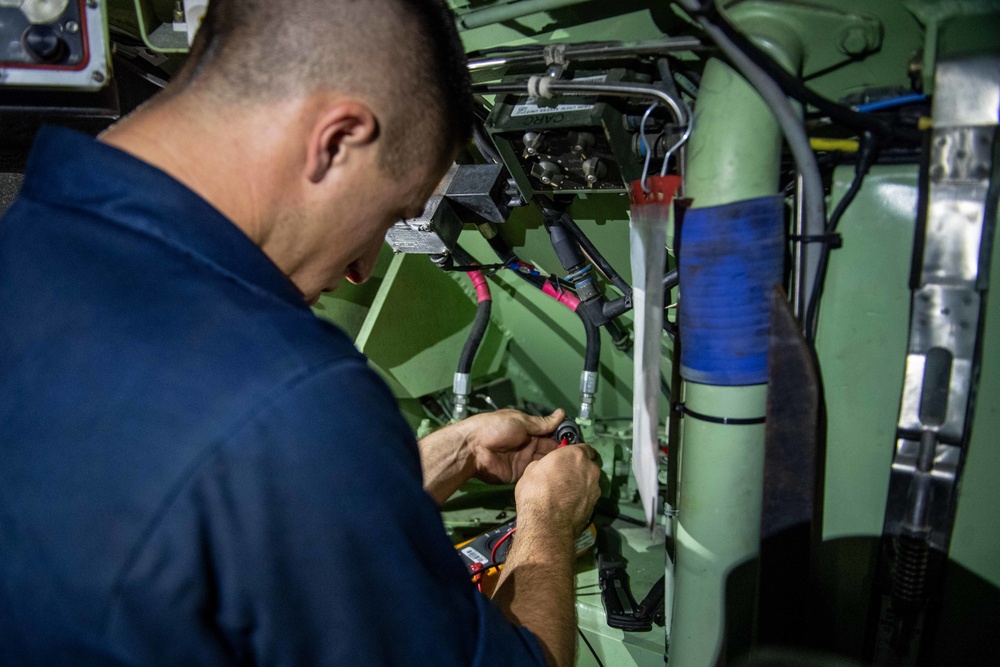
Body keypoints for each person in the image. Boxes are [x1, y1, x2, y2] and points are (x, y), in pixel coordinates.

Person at [0, 0, 601, 665]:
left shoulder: (31, 249)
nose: (362, 269)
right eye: (394, 212)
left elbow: (155, 516)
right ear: (338, 139)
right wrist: (548, 518)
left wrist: (436, 459)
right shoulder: (288, 392)